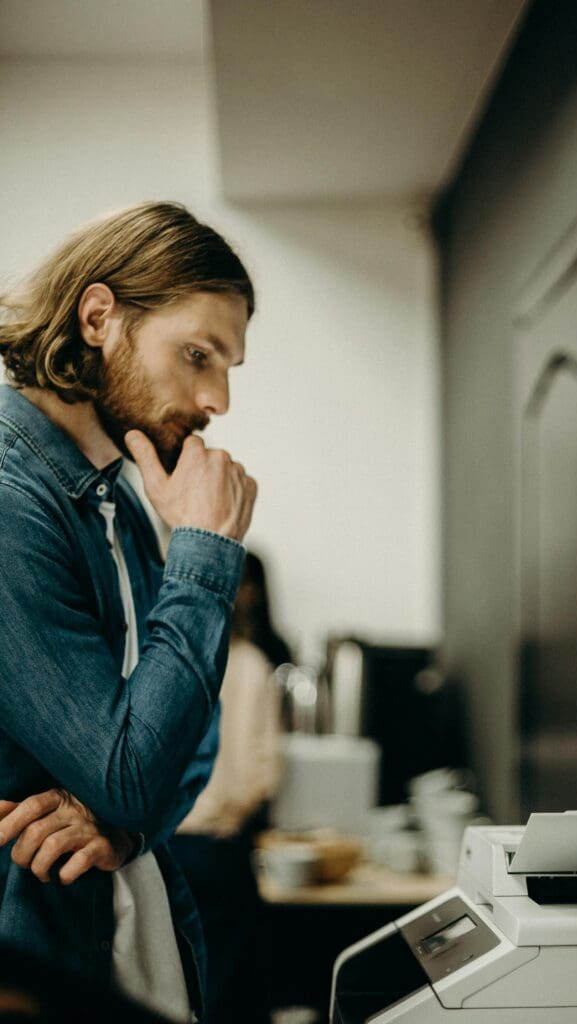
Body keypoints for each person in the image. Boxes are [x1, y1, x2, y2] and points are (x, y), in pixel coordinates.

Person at [0, 201, 258, 1023]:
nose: (217, 398)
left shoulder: (119, 499)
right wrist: (207, 553)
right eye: (197, 355)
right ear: (100, 316)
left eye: (228, 368)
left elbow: (192, 736)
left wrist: (122, 829)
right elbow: (133, 768)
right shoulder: (10, 502)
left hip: (129, 944)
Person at [170, 552, 292, 1023]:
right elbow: (265, 771)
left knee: (173, 975)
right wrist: (235, 811)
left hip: (167, 843)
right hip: (221, 846)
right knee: (224, 983)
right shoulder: (254, 664)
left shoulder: (173, 661)